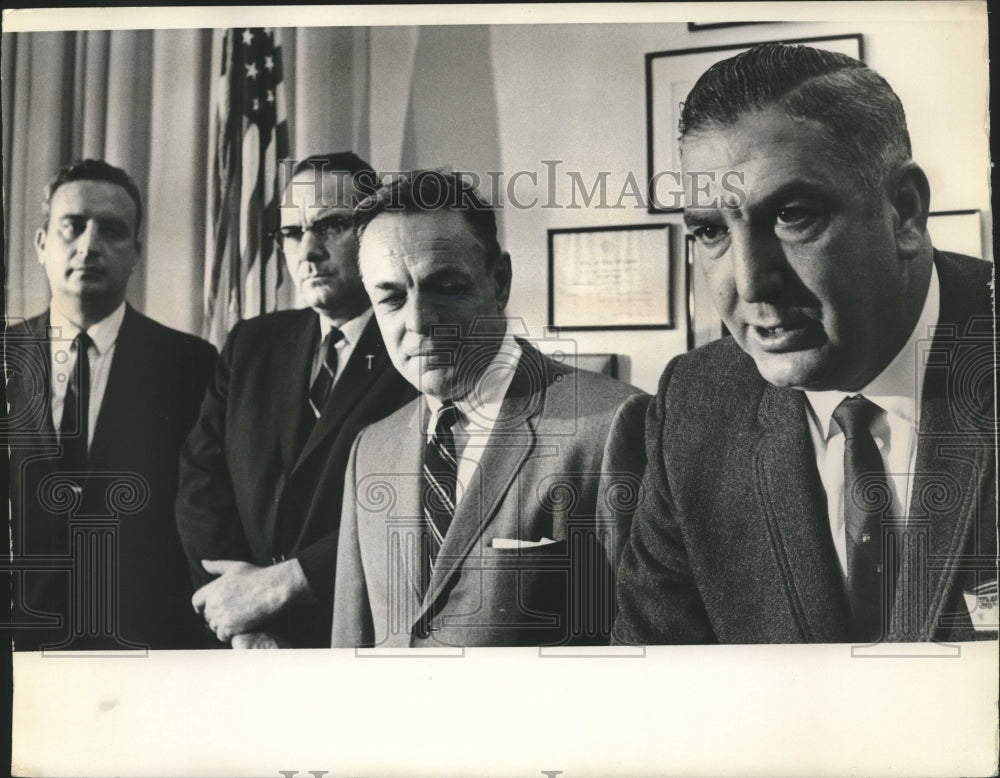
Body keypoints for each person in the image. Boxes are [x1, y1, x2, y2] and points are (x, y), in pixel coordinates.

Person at [614, 43, 996, 644]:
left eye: (792, 215)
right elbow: (654, 691)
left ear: (904, 212)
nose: (748, 280)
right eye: (710, 230)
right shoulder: (694, 405)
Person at [331, 171, 649, 648]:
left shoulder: (612, 424)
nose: (418, 321)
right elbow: (351, 648)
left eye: (445, 286)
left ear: (499, 281)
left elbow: (643, 650)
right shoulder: (370, 449)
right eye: (392, 297)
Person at [176, 152, 417, 648]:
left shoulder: (415, 345)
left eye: (331, 225)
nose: (307, 250)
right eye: (291, 232)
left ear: (372, 232)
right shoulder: (250, 343)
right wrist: (240, 614)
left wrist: (283, 587)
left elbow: (417, 505)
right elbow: (200, 483)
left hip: (359, 636)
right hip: (240, 639)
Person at [6, 159, 217, 650]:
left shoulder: (192, 364)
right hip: (21, 648)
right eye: (72, 227)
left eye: (112, 230)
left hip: (146, 646)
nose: (89, 245)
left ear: (136, 253)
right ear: (41, 244)